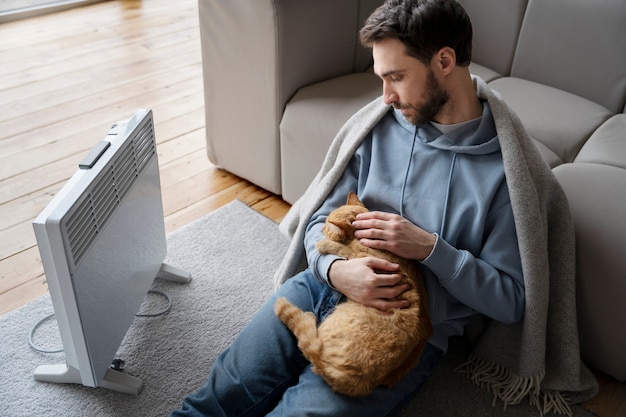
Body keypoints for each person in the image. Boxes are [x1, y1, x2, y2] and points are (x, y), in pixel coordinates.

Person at [170, 0, 597, 415]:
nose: (386, 96)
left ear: (444, 61)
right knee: (218, 397)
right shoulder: (381, 126)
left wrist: (430, 249)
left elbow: (511, 300)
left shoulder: (506, 175)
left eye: (395, 76)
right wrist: (335, 271)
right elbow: (323, 217)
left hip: (401, 336)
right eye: (381, 78)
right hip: (322, 286)